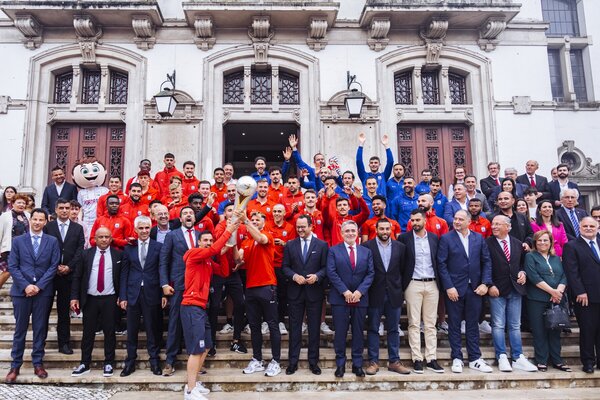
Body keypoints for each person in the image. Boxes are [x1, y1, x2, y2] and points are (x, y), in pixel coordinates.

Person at [179, 218, 238, 400]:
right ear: (198, 242)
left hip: (200, 308)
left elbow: (225, 272)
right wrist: (228, 231)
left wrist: (224, 252)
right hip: (191, 306)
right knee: (196, 350)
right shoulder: (193, 253)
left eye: (211, 241)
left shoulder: (208, 262)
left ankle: (194, 383)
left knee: (206, 347)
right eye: (205, 240)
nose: (209, 243)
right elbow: (212, 250)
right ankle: (190, 390)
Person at [5, 208, 60, 383]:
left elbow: (53, 266)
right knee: (20, 329)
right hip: (21, 292)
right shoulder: (18, 241)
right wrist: (26, 286)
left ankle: (38, 363)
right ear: (30, 221)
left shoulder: (52, 241)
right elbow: (13, 266)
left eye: (40, 220)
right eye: (34, 219)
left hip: (43, 293)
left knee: (40, 329)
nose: (37, 222)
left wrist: (39, 286)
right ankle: (15, 365)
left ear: (45, 222)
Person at [437, 210, 493, 374]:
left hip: (475, 289)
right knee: (454, 324)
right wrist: (448, 286)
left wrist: (485, 283)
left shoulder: (478, 238)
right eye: (455, 218)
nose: (456, 221)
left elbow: (486, 261)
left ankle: (475, 358)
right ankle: (457, 357)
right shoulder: (446, 238)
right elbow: (441, 264)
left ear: (469, 221)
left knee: (473, 324)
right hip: (454, 289)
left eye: (460, 219)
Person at [487, 216, 538, 372]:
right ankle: (501, 356)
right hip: (497, 289)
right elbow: (484, 265)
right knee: (498, 325)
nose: (494, 226)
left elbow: (521, 263)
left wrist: (523, 272)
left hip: (516, 288)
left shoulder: (517, 243)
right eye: (493, 224)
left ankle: (517, 357)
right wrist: (490, 284)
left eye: (498, 224)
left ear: (508, 227)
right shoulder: (487, 243)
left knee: (515, 325)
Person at [69, 227, 122, 378]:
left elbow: (122, 277)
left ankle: (109, 363)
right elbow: (77, 277)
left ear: (111, 239)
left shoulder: (118, 255)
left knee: (110, 332)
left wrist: (122, 296)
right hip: (90, 299)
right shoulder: (86, 254)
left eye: (107, 237)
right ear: (95, 239)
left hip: (110, 298)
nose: (104, 239)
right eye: (101, 237)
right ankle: (84, 363)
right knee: (88, 332)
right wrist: (74, 297)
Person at [281, 214, 328, 375]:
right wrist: (294, 276)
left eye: (303, 227)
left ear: (311, 226)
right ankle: (292, 362)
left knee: (314, 329)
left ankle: (313, 362)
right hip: (295, 292)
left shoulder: (322, 245)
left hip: (314, 292)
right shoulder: (290, 245)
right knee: (295, 329)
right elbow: (285, 267)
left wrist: (317, 276)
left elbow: (326, 267)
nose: (300, 229)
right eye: (298, 227)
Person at [327, 220, 374, 378]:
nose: (350, 233)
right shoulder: (333, 251)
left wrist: (360, 291)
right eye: (347, 231)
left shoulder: (366, 252)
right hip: (340, 299)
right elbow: (331, 272)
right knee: (340, 333)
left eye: (353, 230)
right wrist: (345, 291)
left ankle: (357, 364)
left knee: (358, 333)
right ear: (341, 233)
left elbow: (370, 274)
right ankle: (340, 364)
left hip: (360, 299)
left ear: (357, 233)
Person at [363, 219, 410, 375]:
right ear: (376, 230)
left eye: (387, 229)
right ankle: (373, 362)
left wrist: (400, 288)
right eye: (381, 229)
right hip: (374, 293)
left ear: (391, 230)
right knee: (373, 328)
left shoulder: (400, 247)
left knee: (393, 329)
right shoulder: (367, 247)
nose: (384, 232)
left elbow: (404, 270)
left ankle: (394, 361)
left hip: (394, 294)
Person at [399, 209, 444, 374]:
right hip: (413, 283)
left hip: (432, 284)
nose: (415, 223)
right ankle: (417, 358)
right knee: (414, 323)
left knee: (431, 324)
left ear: (425, 220)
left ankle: (431, 358)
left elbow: (438, 261)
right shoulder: (404, 238)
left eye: (418, 220)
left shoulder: (434, 238)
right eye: (412, 220)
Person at [119, 216, 165, 377]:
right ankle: (130, 362)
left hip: (152, 292)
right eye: (141, 228)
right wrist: (123, 296)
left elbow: (162, 270)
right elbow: (124, 273)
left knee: (152, 329)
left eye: (147, 228)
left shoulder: (158, 246)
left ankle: (154, 360)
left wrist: (163, 292)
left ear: (150, 228)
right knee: (131, 330)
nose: (144, 231)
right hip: (133, 293)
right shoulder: (128, 248)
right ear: (135, 230)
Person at [239, 211, 281, 377]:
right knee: (254, 325)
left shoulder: (267, 235)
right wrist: (232, 241)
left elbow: (261, 239)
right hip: (250, 287)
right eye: (252, 219)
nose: (254, 221)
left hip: (267, 286)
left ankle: (276, 361)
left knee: (272, 324)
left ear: (263, 223)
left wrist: (246, 221)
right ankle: (257, 359)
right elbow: (238, 259)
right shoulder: (246, 241)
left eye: (258, 220)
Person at [159, 206, 200, 376]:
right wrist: (164, 284)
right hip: (178, 285)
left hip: (197, 286)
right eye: (185, 213)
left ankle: (196, 361)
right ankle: (170, 360)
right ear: (180, 219)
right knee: (175, 322)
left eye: (191, 213)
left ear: (194, 218)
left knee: (195, 323)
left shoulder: (201, 236)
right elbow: (163, 261)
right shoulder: (172, 235)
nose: (188, 215)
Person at [524, 230, 571, 372]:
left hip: (556, 299)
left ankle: (557, 360)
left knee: (555, 330)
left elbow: (564, 275)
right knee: (539, 331)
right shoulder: (530, 256)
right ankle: (542, 360)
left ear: (551, 242)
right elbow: (533, 276)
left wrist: (559, 292)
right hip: (537, 299)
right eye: (539, 240)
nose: (542, 243)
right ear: (535, 242)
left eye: (545, 240)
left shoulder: (556, 258)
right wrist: (552, 291)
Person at [43, 198, 85, 355]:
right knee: (44, 311)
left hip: (68, 276)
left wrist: (69, 267)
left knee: (63, 312)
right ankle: (40, 343)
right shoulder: (48, 227)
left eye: (67, 208)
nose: (65, 210)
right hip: (50, 275)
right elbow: (44, 249)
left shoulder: (77, 228)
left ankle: (64, 343)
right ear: (56, 209)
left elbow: (80, 250)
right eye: (61, 208)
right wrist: (54, 267)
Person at [563, 217, 600, 374]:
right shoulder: (572, 246)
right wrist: (580, 291)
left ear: (597, 227)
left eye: (592, 226)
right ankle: (588, 362)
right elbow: (572, 271)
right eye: (585, 226)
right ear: (580, 228)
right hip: (585, 296)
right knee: (587, 330)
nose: (589, 228)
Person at [266, 204, 296, 335]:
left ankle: (281, 321)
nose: (277, 213)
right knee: (268, 295)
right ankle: (267, 321)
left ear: (284, 213)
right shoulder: (267, 225)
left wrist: (284, 244)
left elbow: (294, 247)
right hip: (268, 265)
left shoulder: (289, 227)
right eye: (275, 211)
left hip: (282, 265)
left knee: (282, 294)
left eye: (279, 211)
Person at [0, 194, 30, 290]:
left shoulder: (28, 215)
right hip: (9, 248)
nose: (21, 205)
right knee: (8, 270)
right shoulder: (5, 216)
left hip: (25, 249)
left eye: (23, 203)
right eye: (19, 202)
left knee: (22, 272)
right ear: (12, 204)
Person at [356, 132, 393, 197]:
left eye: (376, 163)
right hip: (367, 202)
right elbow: (359, 161)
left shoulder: (384, 176)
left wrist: (386, 146)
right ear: (369, 165)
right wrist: (361, 144)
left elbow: (390, 162)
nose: (373, 164)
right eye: (371, 163)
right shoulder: (364, 176)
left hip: (381, 202)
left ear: (379, 164)